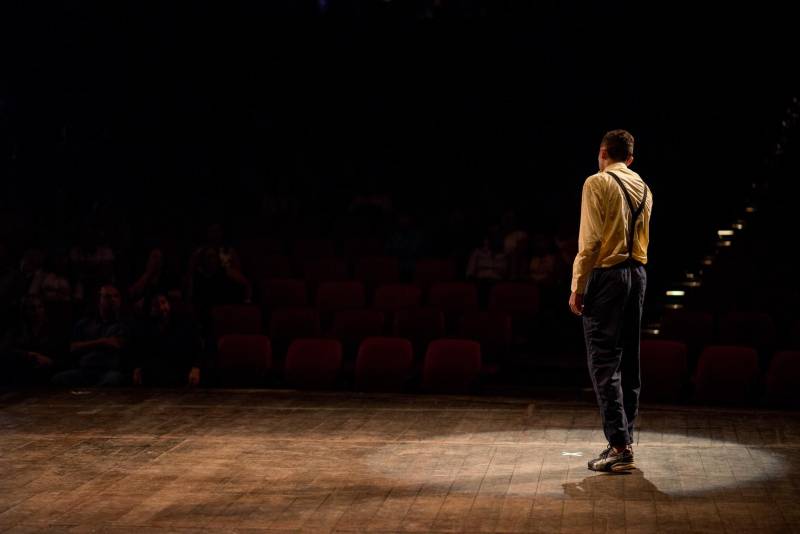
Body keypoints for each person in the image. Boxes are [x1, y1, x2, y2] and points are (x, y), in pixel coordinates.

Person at [569, 129, 653, 472]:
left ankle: (618, 445)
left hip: (608, 276)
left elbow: (590, 242)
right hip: (637, 275)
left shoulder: (597, 182)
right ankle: (624, 440)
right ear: (630, 159)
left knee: (604, 361)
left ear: (602, 152)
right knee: (629, 360)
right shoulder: (644, 187)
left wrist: (579, 284)